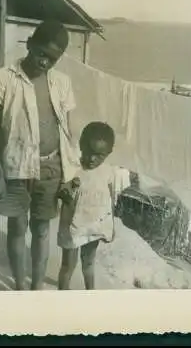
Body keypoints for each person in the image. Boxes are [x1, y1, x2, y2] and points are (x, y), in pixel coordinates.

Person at [0, 19, 79, 290]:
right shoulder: (4, 78)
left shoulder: (62, 83)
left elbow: (67, 131)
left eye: (53, 58)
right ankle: (20, 288)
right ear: (30, 44)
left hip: (51, 167)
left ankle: (36, 288)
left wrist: (69, 173)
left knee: (41, 229)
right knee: (16, 228)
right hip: (15, 166)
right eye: (42, 54)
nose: (45, 62)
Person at [57, 121, 130, 290]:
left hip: (94, 226)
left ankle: (91, 294)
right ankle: (61, 300)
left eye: (99, 155)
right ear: (81, 144)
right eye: (89, 152)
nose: (92, 159)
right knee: (68, 265)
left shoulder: (109, 172)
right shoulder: (72, 168)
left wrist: (109, 227)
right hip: (73, 227)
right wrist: (67, 190)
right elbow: (61, 192)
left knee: (88, 263)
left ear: (108, 153)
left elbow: (109, 199)